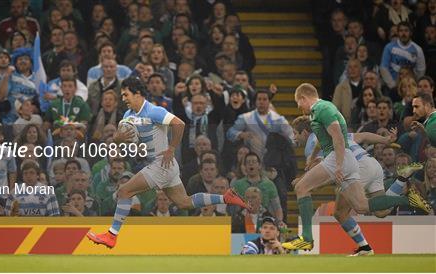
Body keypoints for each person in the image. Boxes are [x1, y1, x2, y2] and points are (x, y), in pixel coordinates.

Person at [86, 77, 249, 248]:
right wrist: (117, 139)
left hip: (161, 164)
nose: (124, 98)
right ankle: (225, 198)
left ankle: (112, 235)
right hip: (164, 166)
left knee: (124, 191)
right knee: (184, 202)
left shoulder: (154, 111)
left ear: (138, 94)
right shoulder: (128, 115)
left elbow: (179, 124)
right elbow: (124, 140)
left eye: (126, 94)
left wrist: (171, 148)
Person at [282, 83, 429, 252]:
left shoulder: (321, 109)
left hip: (347, 161)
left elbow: (337, 138)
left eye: (298, 102)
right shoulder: (322, 114)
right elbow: (358, 136)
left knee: (303, 188)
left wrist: (335, 167)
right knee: (366, 207)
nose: (298, 107)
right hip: (361, 161)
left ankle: (307, 238)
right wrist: (387, 140)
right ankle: (404, 196)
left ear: (303, 98)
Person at [380, 22, 425, 90]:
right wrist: (393, 85)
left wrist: (414, 85)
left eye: (406, 30)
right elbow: (383, 68)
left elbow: (421, 70)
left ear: (411, 33)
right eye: (401, 31)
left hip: (411, 87)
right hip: (393, 86)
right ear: (398, 33)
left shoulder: (418, 50)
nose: (403, 33)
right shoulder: (389, 47)